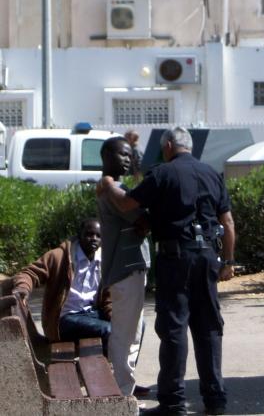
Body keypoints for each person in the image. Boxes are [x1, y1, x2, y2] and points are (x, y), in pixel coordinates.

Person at [98, 126, 235, 416]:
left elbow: (126, 202)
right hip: (209, 256)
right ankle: (216, 400)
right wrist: (229, 263)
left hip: (176, 257)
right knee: (209, 328)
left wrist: (108, 184)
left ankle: (173, 402)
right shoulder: (212, 173)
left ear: (169, 145)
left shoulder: (162, 173)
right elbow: (229, 223)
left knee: (174, 328)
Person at [96, 136, 151, 396]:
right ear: (106, 156)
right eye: (122, 154)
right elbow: (141, 219)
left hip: (131, 270)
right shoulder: (111, 190)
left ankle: (124, 387)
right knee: (124, 335)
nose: (128, 159)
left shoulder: (117, 186)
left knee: (133, 333)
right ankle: (120, 393)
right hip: (124, 271)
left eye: (130, 155)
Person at [11, 219, 112, 353]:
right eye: (89, 234)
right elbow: (30, 273)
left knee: (136, 327)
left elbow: (108, 298)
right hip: (65, 319)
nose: (94, 239)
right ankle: (102, 371)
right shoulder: (59, 256)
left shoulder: (104, 262)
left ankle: (114, 369)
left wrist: (115, 316)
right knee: (109, 330)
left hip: (91, 315)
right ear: (79, 234)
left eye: (98, 236)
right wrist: (23, 288)